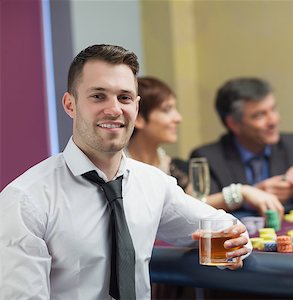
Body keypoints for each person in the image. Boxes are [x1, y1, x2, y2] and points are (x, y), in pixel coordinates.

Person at [0, 44, 251, 299]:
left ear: (136, 107)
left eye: (125, 98)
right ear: (70, 105)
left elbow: (224, 228)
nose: (114, 109)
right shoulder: (25, 200)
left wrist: (234, 247)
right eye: (98, 96)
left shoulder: (153, 184)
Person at [126, 76, 284, 218]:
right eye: (167, 110)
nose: (178, 118)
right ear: (138, 118)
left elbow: (195, 207)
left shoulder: (176, 168)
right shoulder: (117, 168)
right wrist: (241, 193)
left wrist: (243, 192)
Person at [191, 77, 293, 218]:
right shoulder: (208, 157)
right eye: (259, 115)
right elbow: (199, 208)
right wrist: (249, 196)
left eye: (273, 109)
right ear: (233, 124)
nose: (273, 120)